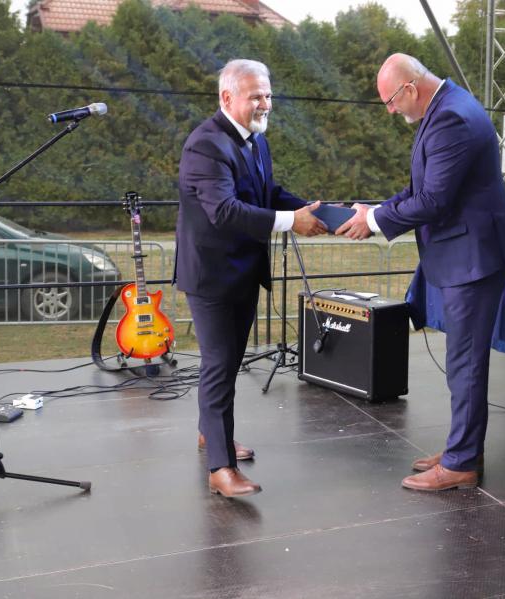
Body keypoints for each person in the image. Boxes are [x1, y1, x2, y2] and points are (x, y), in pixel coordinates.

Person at [337, 53, 505, 492]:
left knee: (465, 362)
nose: (391, 111)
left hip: (473, 257)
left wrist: (375, 221)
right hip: (469, 253)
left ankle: (461, 462)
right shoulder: (445, 107)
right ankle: (464, 448)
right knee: (463, 361)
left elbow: (433, 201)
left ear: (410, 88)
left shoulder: (450, 118)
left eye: (391, 102)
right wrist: (375, 211)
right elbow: (420, 189)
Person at [175, 59, 326, 498]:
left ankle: (211, 435)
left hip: (241, 273)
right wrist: (291, 222)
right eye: (256, 96)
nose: (266, 104)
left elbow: (266, 194)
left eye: (268, 95)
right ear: (227, 98)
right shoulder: (205, 145)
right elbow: (224, 211)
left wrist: (313, 211)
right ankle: (221, 468)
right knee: (220, 365)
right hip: (211, 278)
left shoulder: (256, 140)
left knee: (226, 362)